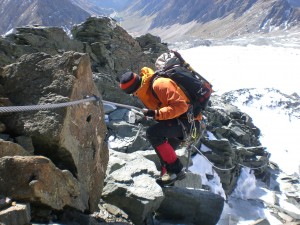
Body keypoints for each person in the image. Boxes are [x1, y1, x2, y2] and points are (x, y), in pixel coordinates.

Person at [119, 67, 201, 186]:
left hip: (189, 122)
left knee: (153, 134)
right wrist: (153, 114)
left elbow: (181, 106)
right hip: (178, 121)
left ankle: (176, 170)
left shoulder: (160, 84)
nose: (133, 95)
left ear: (133, 88)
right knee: (165, 153)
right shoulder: (145, 89)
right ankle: (167, 177)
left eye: (131, 92)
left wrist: (157, 114)